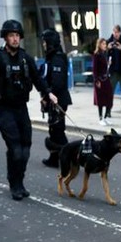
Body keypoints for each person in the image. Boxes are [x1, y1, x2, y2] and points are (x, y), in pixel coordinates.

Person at [0, 19, 58, 200]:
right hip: (5, 108)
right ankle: (14, 183)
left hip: (21, 108)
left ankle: (20, 181)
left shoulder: (25, 58)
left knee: (26, 148)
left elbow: (38, 79)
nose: (15, 39)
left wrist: (48, 93)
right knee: (15, 148)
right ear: (5, 38)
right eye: (11, 36)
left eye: (17, 35)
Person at [40, 28, 72, 168]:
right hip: (53, 100)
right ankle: (54, 158)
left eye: (45, 42)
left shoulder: (57, 58)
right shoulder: (52, 57)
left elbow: (58, 82)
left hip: (58, 100)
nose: (44, 45)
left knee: (58, 131)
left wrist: (48, 95)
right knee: (53, 130)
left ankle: (70, 159)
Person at [106, 24, 121, 120]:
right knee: (110, 92)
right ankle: (108, 111)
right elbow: (104, 55)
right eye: (114, 32)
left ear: (120, 33)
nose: (116, 34)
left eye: (117, 32)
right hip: (113, 71)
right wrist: (108, 49)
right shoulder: (109, 42)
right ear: (113, 32)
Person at [92, 37, 113, 125]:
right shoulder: (96, 55)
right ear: (99, 45)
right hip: (100, 79)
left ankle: (105, 117)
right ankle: (101, 118)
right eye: (103, 44)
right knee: (100, 100)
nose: (105, 45)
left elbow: (105, 67)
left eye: (105, 44)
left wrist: (108, 64)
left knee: (109, 98)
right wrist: (97, 80)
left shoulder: (105, 54)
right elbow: (95, 69)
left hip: (106, 78)